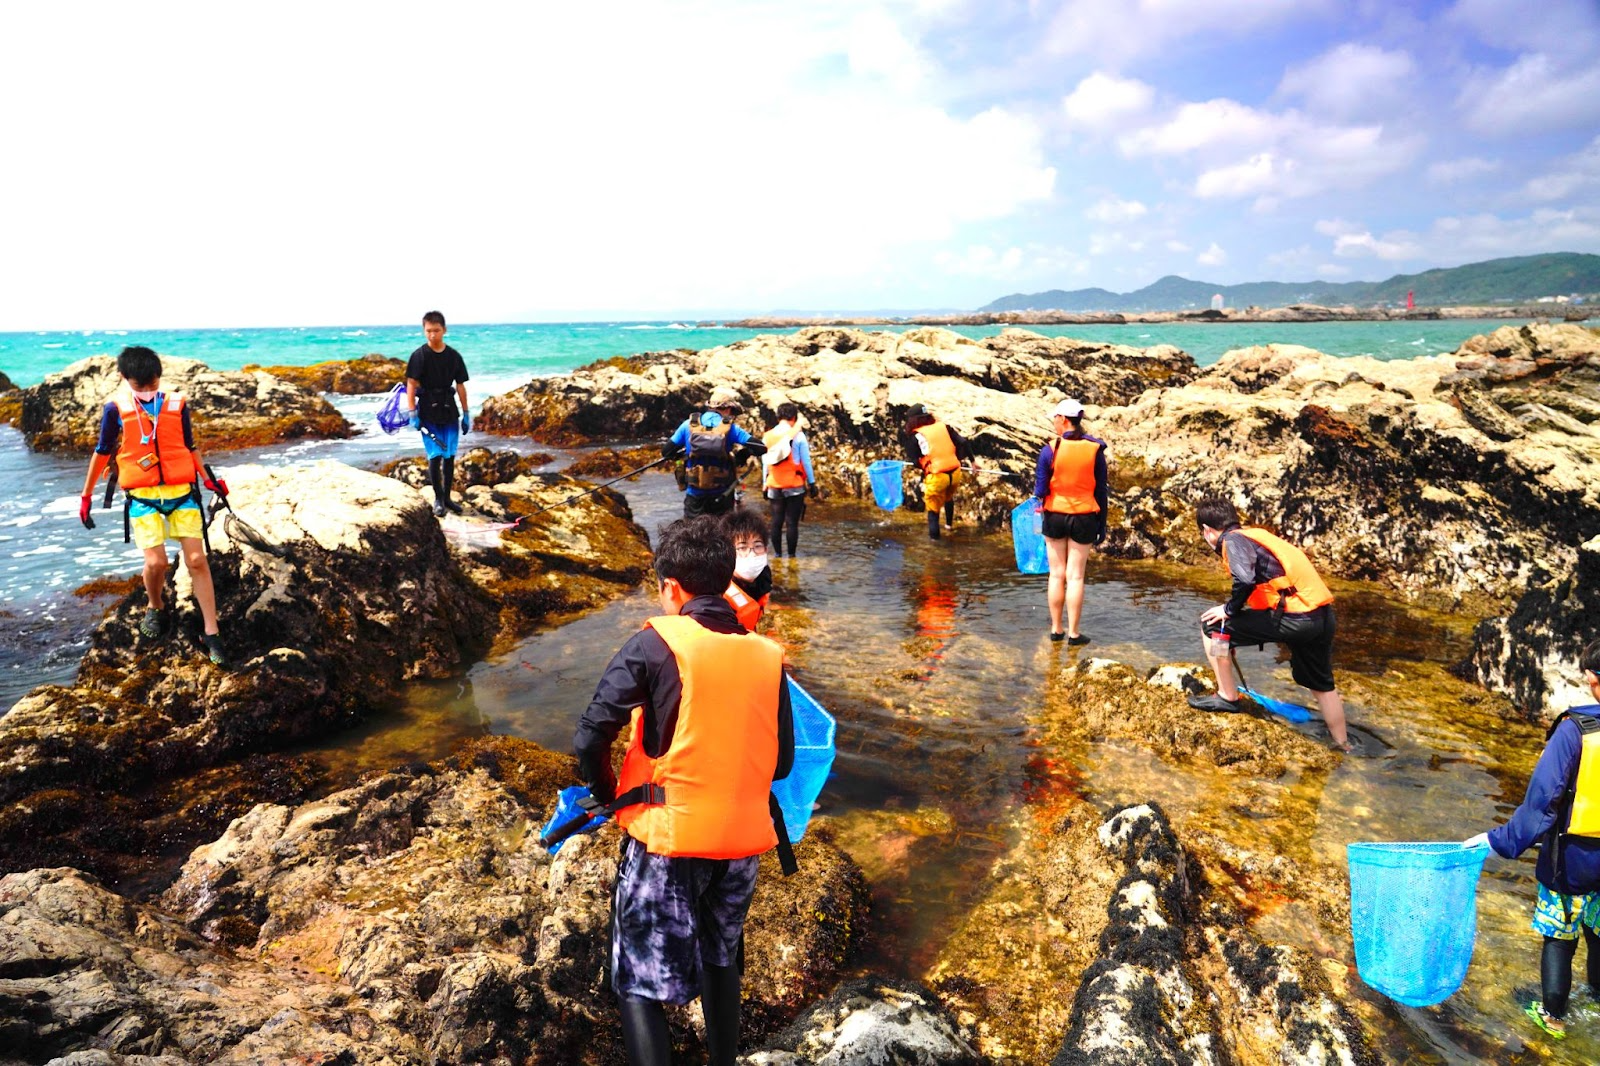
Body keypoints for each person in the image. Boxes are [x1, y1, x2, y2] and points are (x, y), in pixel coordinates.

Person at [571, 515, 794, 1066]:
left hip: (669, 844)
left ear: (671, 587)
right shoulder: (768, 656)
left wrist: (609, 793)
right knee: (722, 958)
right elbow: (783, 763)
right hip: (741, 848)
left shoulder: (654, 644)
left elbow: (590, 736)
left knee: (638, 980)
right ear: (723, 578)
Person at [1463, 639, 1600, 1040]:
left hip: (1571, 863)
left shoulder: (1575, 731)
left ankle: (1553, 1020)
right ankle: (1596, 1001)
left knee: (1559, 938)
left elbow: (1542, 804)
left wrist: (1498, 841)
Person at [78, 346, 228, 666]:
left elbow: (190, 446)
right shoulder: (115, 409)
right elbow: (102, 451)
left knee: (197, 559)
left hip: (182, 493)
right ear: (124, 377)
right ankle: (155, 604)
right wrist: (86, 496)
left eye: (153, 383)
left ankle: (211, 631)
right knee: (157, 563)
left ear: (160, 376)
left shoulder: (176, 404)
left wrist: (209, 479)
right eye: (139, 385)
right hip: (143, 497)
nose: (147, 389)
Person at [1185, 498, 1350, 751]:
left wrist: (1228, 610)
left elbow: (1244, 580)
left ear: (1207, 530)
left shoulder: (1232, 541)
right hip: (1321, 617)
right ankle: (1344, 744)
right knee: (1322, 686)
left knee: (1212, 626)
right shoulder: (1256, 535)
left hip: (1294, 619)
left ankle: (1227, 696)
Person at [1032, 399, 1107, 645]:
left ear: (1063, 419)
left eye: (1055, 418)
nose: (1054, 423)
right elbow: (1101, 491)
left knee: (1056, 575)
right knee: (1075, 577)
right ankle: (1074, 633)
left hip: (1055, 515)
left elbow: (1040, 490)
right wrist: (1102, 524)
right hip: (1085, 517)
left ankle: (1056, 629)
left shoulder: (1050, 449)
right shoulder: (1095, 450)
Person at [403, 310, 471, 517]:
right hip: (428, 410)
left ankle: (448, 497)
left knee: (449, 455)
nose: (432, 335)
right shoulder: (419, 356)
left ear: (444, 330)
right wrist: (412, 412)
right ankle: (438, 499)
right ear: (424, 331)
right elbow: (411, 384)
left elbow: (460, 385)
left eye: (436, 330)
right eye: (428, 331)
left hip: (449, 410)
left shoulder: (454, 356)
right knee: (435, 455)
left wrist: (466, 412)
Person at [663, 387, 764, 518]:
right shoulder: (732, 429)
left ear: (710, 407)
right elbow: (760, 448)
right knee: (721, 530)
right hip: (722, 495)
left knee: (692, 530)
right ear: (728, 409)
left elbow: (666, 452)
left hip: (695, 495)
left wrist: (680, 454)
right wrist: (743, 455)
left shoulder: (688, 425)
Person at [902, 404, 978, 540]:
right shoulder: (944, 427)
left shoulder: (916, 436)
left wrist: (923, 464)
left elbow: (915, 460)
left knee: (933, 511)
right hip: (955, 473)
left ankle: (935, 543)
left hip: (937, 477)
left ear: (913, 420)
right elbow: (964, 442)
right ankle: (949, 526)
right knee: (948, 497)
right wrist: (973, 462)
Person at [761, 403, 818, 557]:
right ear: (794, 417)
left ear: (778, 417)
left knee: (776, 521)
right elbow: (806, 462)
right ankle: (792, 557)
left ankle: (778, 555)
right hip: (794, 485)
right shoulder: (798, 436)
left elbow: (765, 462)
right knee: (792, 522)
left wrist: (765, 484)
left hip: (774, 484)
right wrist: (812, 483)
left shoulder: (767, 436)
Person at [721, 507, 772, 632]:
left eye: (758, 546)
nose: (752, 554)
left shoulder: (763, 578)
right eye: (742, 548)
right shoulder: (719, 595)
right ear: (728, 552)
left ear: (766, 550)